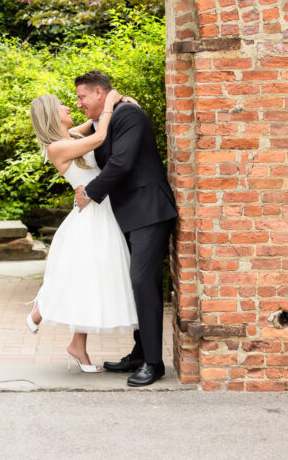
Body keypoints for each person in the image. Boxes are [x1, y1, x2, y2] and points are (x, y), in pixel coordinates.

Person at [73, 70, 177, 387]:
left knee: (142, 281)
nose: (78, 103)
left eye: (82, 97)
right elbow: (75, 132)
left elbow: (122, 162)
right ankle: (139, 352)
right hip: (128, 214)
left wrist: (89, 193)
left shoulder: (129, 113)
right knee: (133, 283)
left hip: (149, 210)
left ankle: (154, 363)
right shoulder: (104, 120)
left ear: (100, 92)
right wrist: (103, 111)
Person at [26, 89, 138, 373]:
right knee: (87, 275)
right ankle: (43, 305)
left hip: (101, 211)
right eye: (63, 106)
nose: (69, 107)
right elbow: (100, 137)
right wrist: (111, 100)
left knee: (90, 278)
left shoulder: (72, 135)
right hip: (90, 219)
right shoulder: (56, 147)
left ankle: (76, 344)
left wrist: (120, 100)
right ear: (52, 114)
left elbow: (95, 122)